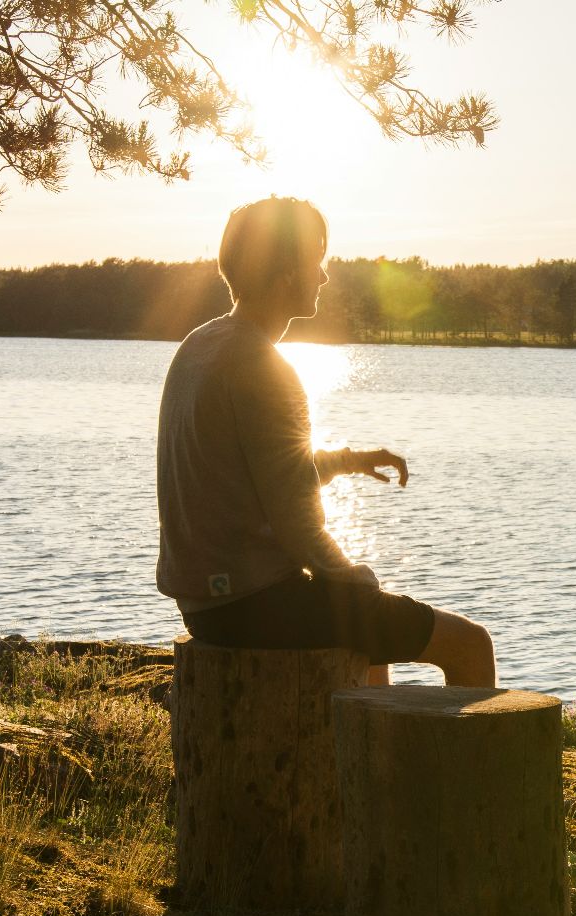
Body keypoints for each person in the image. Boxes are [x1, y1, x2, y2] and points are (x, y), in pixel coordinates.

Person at [157, 196, 495, 687]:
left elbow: (258, 473)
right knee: (468, 643)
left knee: (366, 634)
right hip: (255, 605)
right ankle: (470, 766)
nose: (325, 275)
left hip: (204, 604)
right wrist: (360, 580)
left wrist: (348, 461)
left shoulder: (202, 344)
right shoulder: (264, 367)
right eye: (317, 261)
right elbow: (299, 524)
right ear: (288, 271)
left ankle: (371, 760)